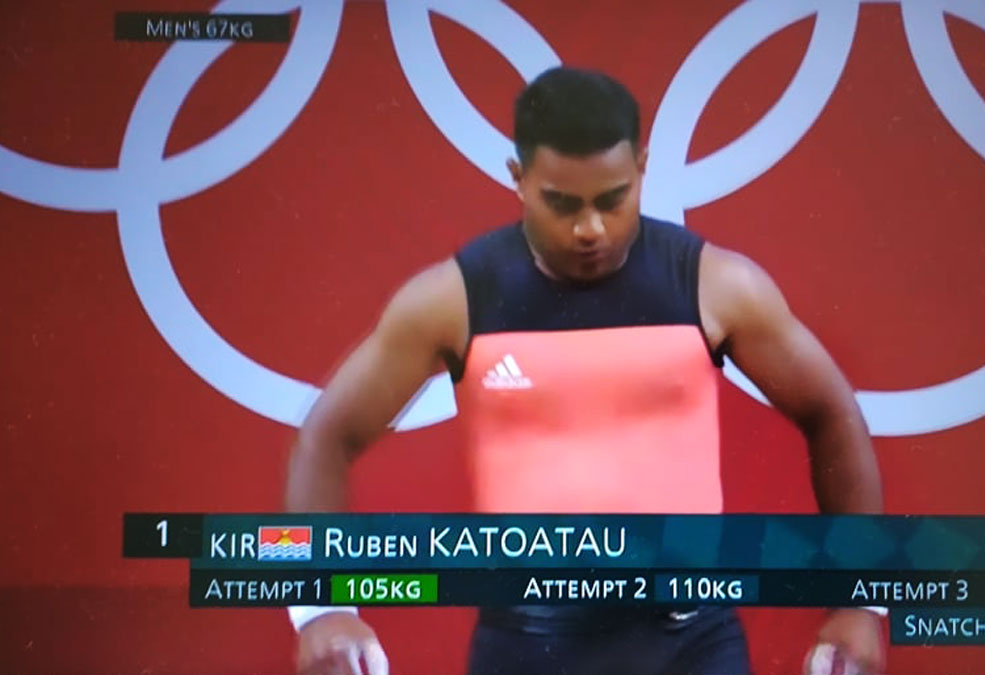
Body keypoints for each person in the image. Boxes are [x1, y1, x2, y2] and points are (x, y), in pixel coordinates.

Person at [285, 66, 885, 675]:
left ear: (642, 169)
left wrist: (860, 600)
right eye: (562, 204)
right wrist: (321, 608)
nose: (590, 228)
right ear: (518, 178)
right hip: (525, 646)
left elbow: (831, 411)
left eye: (612, 199)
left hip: (691, 643)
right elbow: (327, 436)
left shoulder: (718, 287)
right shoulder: (453, 301)